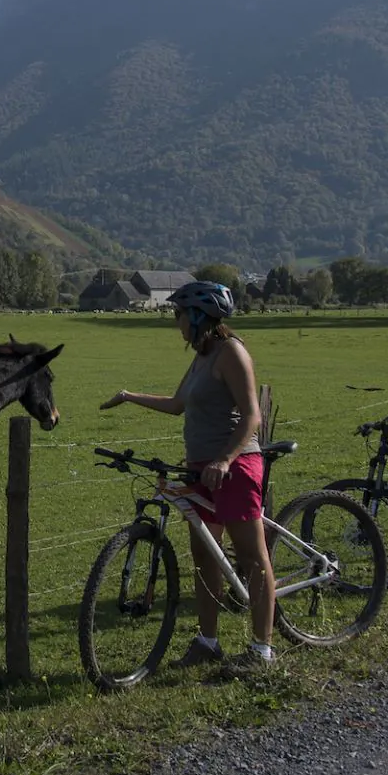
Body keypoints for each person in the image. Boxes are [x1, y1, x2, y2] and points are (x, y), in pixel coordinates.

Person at [100, 280, 276, 667]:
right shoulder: (201, 355)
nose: (176, 322)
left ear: (198, 316)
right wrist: (130, 396)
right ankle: (208, 642)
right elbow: (179, 404)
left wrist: (226, 460)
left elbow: (251, 416)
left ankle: (262, 649)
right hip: (202, 468)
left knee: (252, 558)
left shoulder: (232, 352)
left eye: (179, 315)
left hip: (235, 466)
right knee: (204, 557)